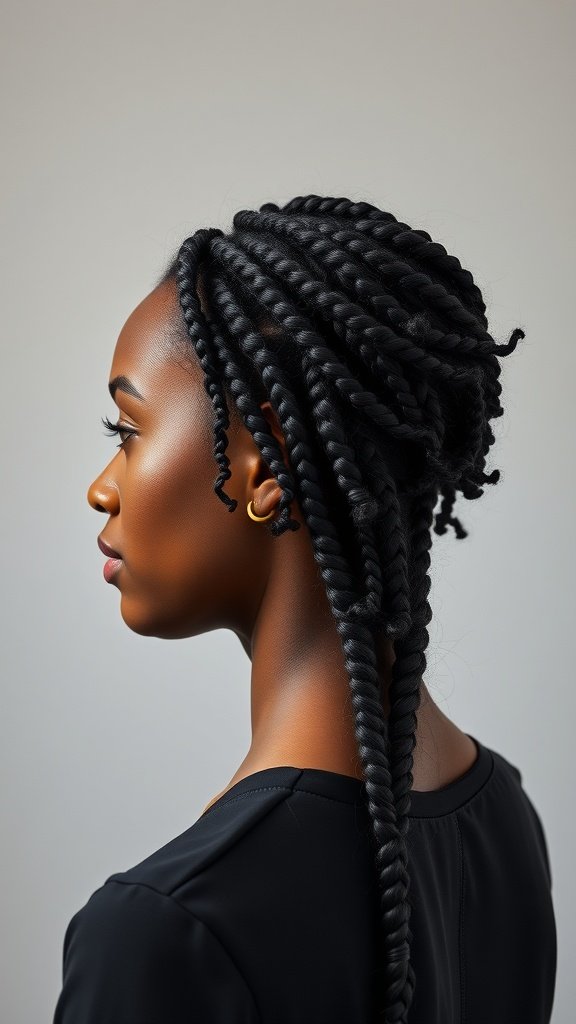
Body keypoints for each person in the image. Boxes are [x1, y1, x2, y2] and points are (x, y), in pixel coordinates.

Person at [52, 194, 557, 1023]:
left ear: (266, 468)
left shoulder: (165, 930)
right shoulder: (506, 820)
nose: (101, 488)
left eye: (127, 429)